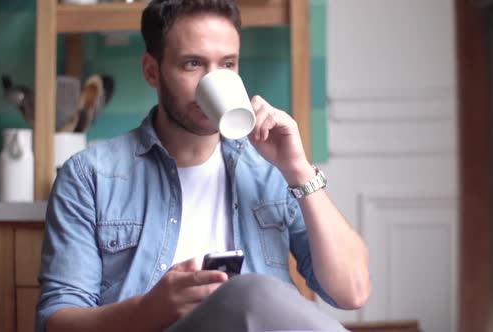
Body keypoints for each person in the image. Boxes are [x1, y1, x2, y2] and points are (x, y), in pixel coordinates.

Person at [36, 0, 371, 331]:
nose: (212, 81)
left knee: (254, 293)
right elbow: (57, 322)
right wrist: (148, 310)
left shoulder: (272, 170)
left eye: (227, 65)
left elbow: (352, 291)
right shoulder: (89, 176)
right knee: (251, 290)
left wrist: (299, 170)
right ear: (152, 71)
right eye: (192, 64)